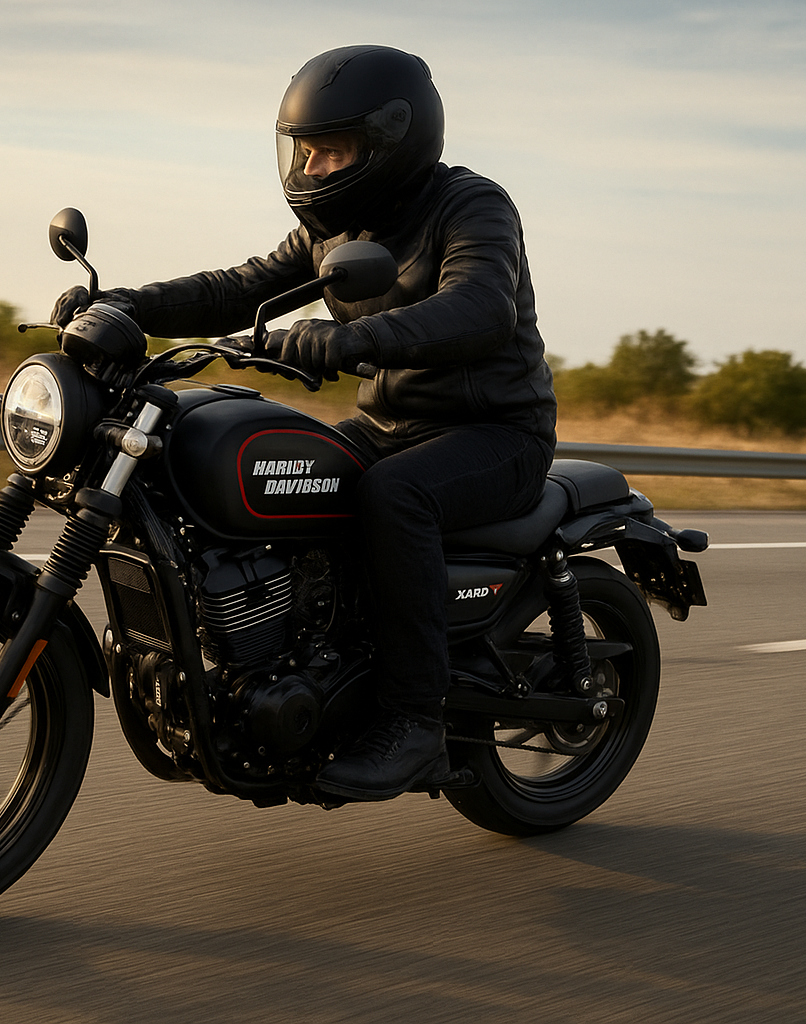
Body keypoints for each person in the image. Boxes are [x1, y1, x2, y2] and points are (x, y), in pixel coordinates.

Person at [53, 45, 557, 800]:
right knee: (279, 477)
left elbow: (480, 306)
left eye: (332, 151)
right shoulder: (335, 228)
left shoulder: (472, 204)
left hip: (497, 433)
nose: (312, 168)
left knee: (395, 496)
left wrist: (351, 339)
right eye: (305, 151)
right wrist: (127, 302)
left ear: (391, 141)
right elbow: (239, 287)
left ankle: (414, 723)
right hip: (387, 428)